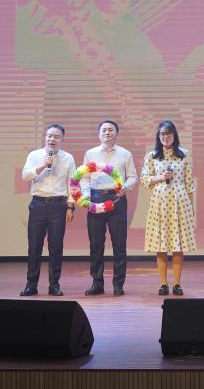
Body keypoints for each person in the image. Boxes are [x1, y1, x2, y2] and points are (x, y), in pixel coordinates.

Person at [141, 120, 197, 296]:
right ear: (158, 137)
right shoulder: (152, 156)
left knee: (178, 244)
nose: (166, 137)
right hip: (159, 202)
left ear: (174, 135)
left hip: (180, 202)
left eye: (169, 133)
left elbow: (189, 182)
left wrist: (191, 206)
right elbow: (144, 179)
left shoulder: (184, 154)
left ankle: (177, 284)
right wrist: (160, 177)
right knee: (161, 244)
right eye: (163, 134)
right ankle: (163, 284)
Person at [82, 120, 137, 296]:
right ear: (99, 134)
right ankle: (97, 283)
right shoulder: (90, 153)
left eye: (110, 130)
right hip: (96, 199)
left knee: (119, 244)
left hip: (117, 199)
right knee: (96, 244)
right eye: (104, 130)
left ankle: (118, 284)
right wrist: (86, 196)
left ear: (116, 133)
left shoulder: (125, 154)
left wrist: (125, 188)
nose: (107, 132)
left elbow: (133, 176)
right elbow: (84, 178)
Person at [20, 124, 76, 296]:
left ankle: (54, 285)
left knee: (56, 247)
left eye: (56, 136)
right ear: (45, 137)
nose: (52, 139)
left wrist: (70, 206)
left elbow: (73, 184)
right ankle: (31, 285)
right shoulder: (34, 155)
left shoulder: (68, 158)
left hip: (59, 205)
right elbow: (25, 176)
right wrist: (43, 165)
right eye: (49, 136)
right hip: (38, 204)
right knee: (34, 246)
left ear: (62, 139)